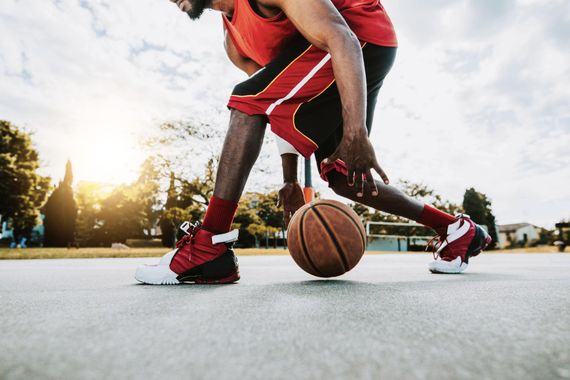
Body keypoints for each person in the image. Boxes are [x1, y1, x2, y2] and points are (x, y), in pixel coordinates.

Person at [135, 0, 492, 285]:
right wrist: (290, 179)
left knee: (245, 100)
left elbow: (341, 37)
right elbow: (278, 103)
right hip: (334, 55)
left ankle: (210, 243)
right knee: (341, 176)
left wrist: (357, 134)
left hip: (360, 36)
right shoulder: (234, 43)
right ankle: (454, 228)